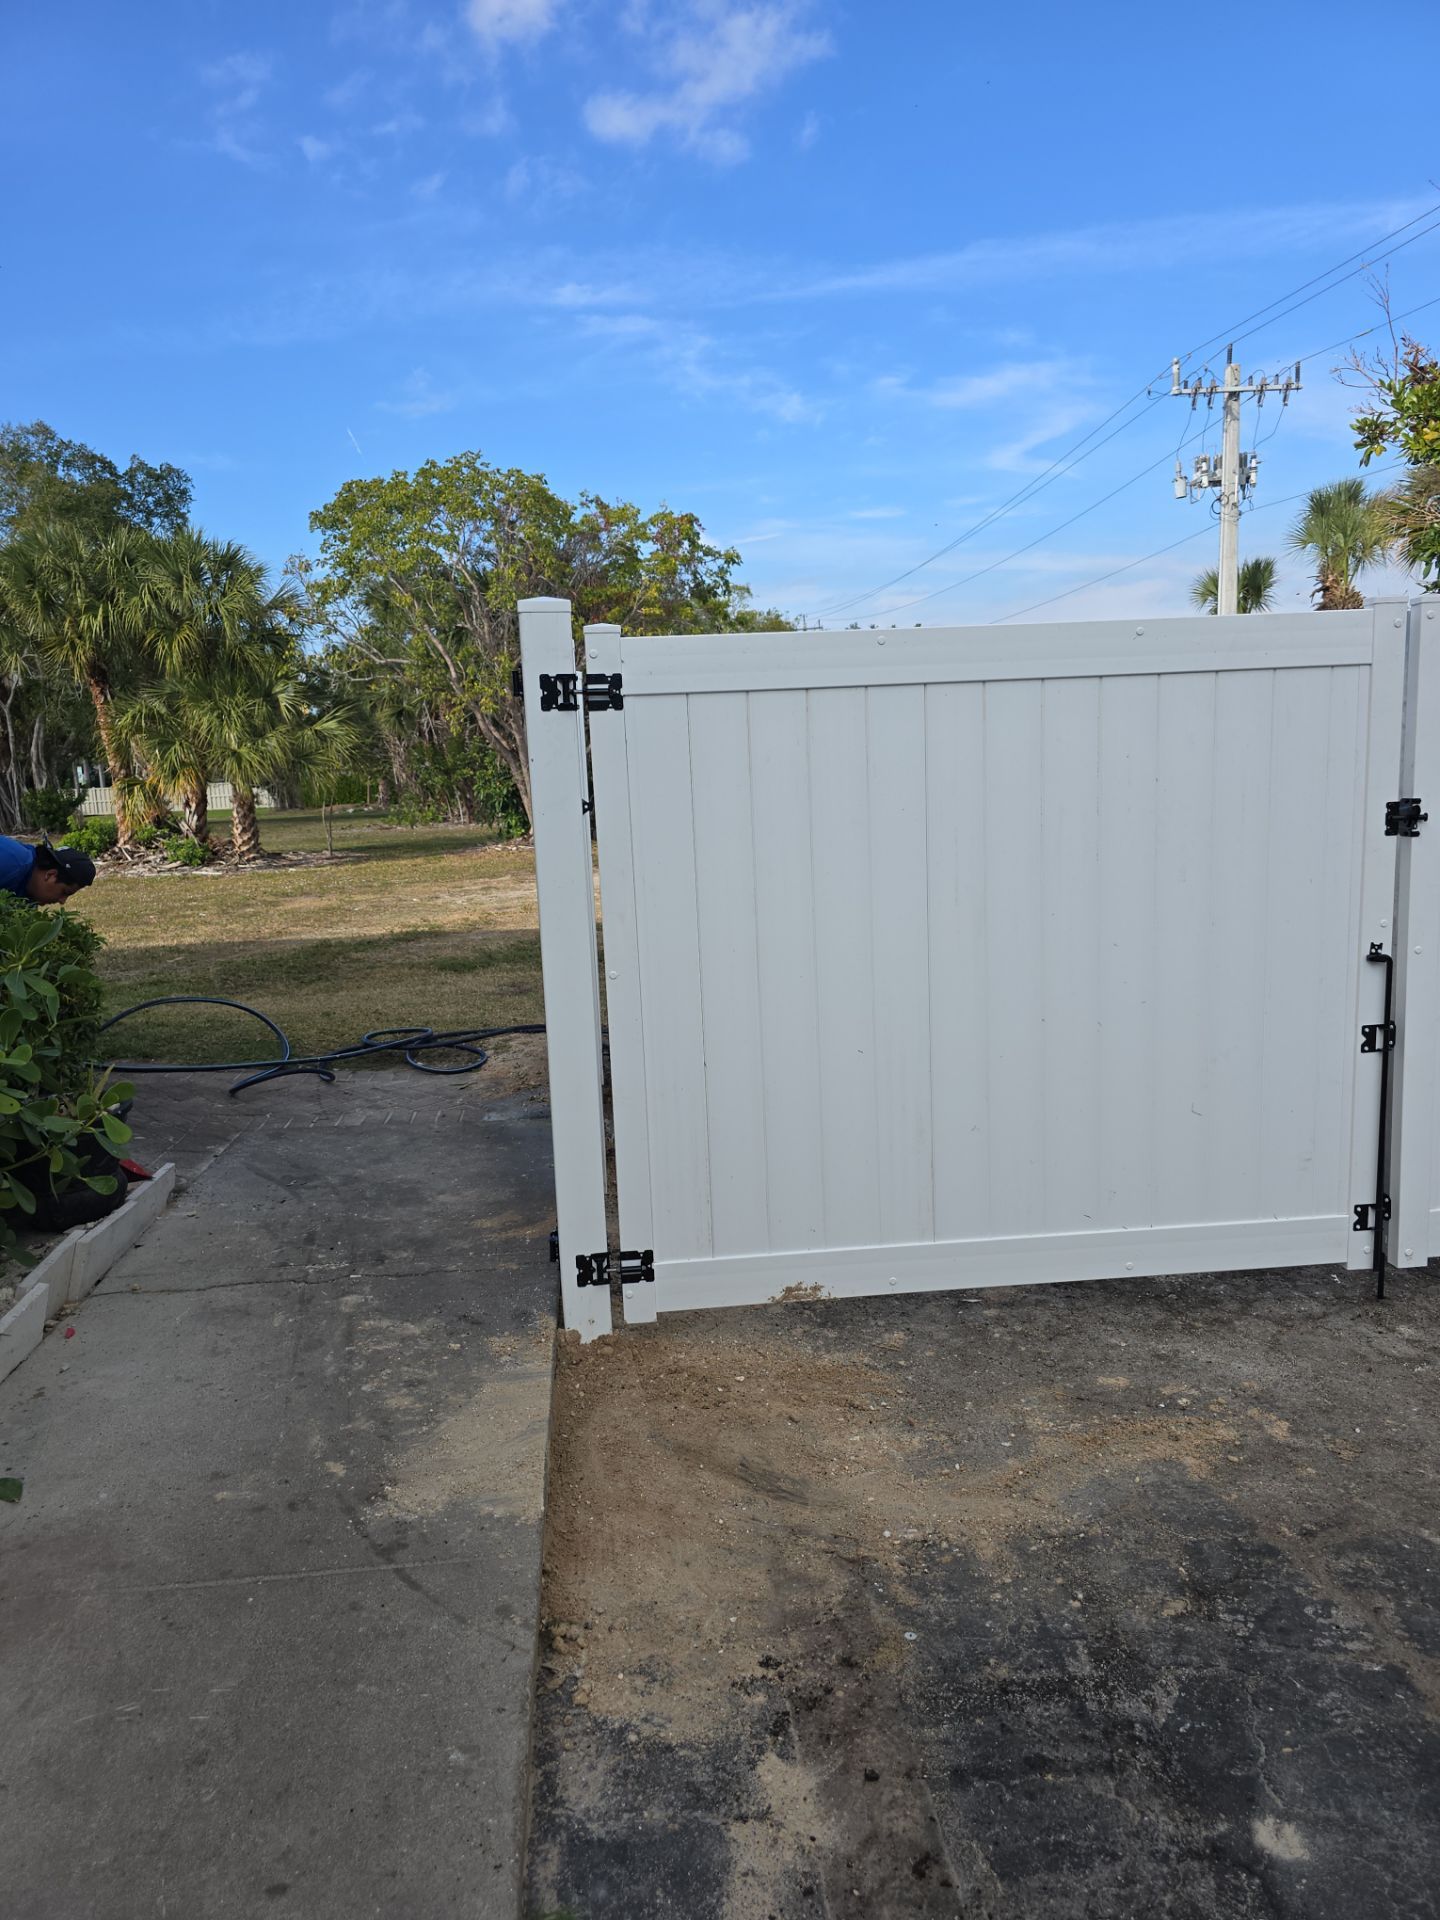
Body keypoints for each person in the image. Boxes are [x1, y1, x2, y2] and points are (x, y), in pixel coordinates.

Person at [0, 835, 97, 905]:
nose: (62, 901)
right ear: (50, 875)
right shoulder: (11, 863)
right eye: (64, 892)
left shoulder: (30, 893)